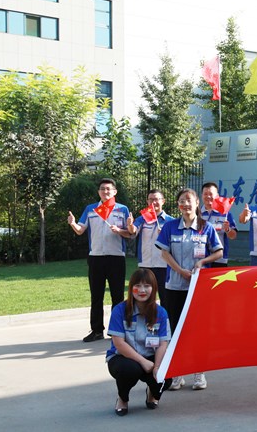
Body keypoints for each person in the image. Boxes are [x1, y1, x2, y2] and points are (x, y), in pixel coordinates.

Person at [155, 188, 224, 390]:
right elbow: (164, 254)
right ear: (178, 205)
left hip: (198, 288)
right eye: (182, 201)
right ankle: (177, 373)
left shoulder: (206, 227)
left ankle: (199, 372)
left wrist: (202, 262)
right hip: (174, 286)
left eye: (189, 200)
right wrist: (179, 270)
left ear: (196, 203)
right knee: (176, 329)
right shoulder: (170, 227)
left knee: (198, 329)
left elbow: (219, 252)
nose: (185, 204)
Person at [68, 178, 131, 343]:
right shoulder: (91, 209)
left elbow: (130, 233)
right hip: (96, 257)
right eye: (102, 189)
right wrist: (73, 224)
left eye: (109, 189)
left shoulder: (122, 209)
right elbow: (80, 230)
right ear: (99, 192)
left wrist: (120, 231)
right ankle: (96, 330)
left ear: (115, 192)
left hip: (116, 257)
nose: (105, 191)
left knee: (117, 296)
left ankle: (117, 331)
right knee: (96, 296)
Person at [106, 268, 172, 416]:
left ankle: (152, 393)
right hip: (124, 357)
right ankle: (123, 398)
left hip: (152, 357)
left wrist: (157, 367)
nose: (142, 290)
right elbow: (119, 343)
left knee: (165, 376)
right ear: (131, 288)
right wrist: (143, 362)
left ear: (153, 289)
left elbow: (163, 344)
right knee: (129, 370)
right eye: (138, 286)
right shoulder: (119, 310)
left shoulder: (161, 312)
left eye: (147, 286)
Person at [128, 189, 174, 304]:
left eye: (156, 199)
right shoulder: (142, 219)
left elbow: (175, 244)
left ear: (163, 201)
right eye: (151, 199)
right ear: (147, 202)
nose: (153, 202)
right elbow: (133, 231)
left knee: (165, 298)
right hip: (145, 264)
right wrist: (130, 224)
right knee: (145, 298)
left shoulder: (171, 221)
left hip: (164, 265)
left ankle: (165, 316)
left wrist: (164, 235)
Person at [200, 182, 238, 267]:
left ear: (217, 196)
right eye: (205, 194)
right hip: (200, 257)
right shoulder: (197, 214)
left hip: (219, 259)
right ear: (202, 195)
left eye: (211, 194)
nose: (208, 196)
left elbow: (233, 236)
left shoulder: (225, 213)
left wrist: (228, 229)